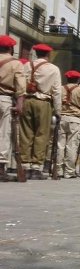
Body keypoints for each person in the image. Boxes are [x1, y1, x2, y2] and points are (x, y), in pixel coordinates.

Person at [19, 44, 61, 180]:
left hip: (27, 100)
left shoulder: (27, 66)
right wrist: (58, 110)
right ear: (48, 55)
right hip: (44, 102)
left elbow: (20, 84)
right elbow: (56, 91)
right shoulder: (53, 69)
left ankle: (24, 165)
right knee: (41, 134)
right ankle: (36, 167)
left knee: (26, 133)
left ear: (36, 53)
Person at [0, 36, 26, 181]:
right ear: (11, 48)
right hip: (5, 98)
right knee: (4, 132)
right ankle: (0, 166)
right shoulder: (15, 63)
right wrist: (20, 103)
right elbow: (20, 86)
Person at [56, 70, 80, 178]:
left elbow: (56, 103)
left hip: (62, 118)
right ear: (78, 79)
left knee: (60, 145)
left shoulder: (60, 89)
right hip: (75, 119)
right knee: (72, 146)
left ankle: (58, 170)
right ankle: (69, 171)